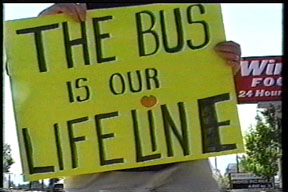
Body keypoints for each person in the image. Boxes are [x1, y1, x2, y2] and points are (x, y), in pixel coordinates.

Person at [38, 3, 241, 192]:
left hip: (184, 169)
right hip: (98, 175)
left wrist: (223, 66)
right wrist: (41, 29)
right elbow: (30, 82)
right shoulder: (72, 7)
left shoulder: (187, 13)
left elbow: (201, 82)